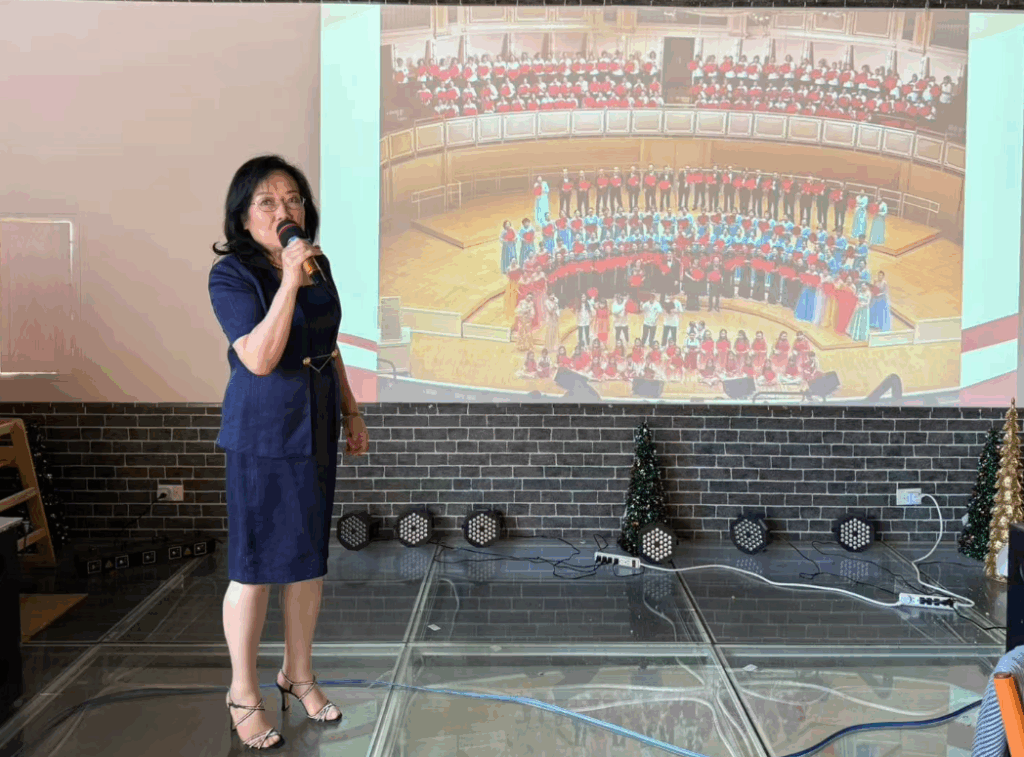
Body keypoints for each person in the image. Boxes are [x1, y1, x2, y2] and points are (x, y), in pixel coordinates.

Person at [209, 156, 368, 750]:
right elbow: (258, 357)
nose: (285, 210)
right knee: (254, 568)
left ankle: (297, 675)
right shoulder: (231, 275)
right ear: (243, 216)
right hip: (263, 433)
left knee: (307, 561)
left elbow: (328, 344)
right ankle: (242, 692)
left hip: (317, 423)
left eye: (293, 199)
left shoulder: (315, 265)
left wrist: (351, 409)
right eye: (268, 202)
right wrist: (288, 282)